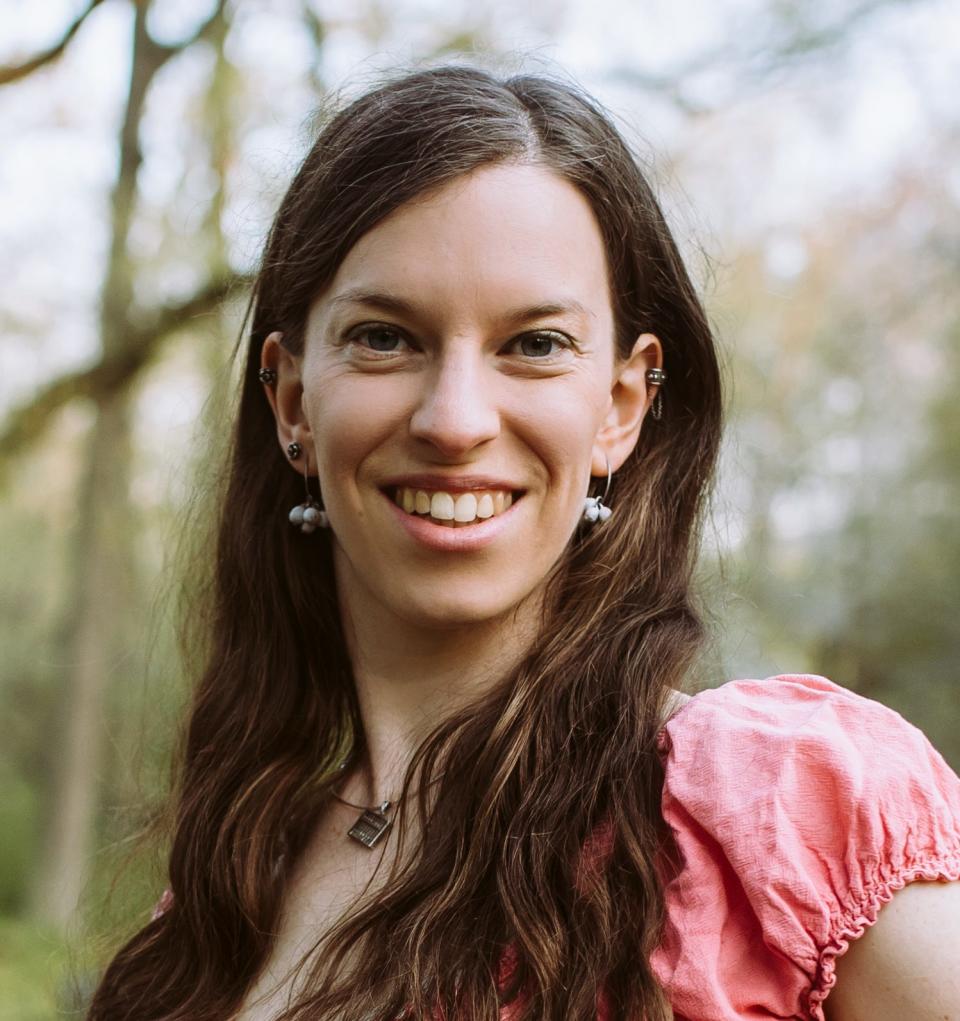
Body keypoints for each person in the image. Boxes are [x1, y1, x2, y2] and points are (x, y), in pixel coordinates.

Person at [87, 65, 960, 1021]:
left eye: (535, 344)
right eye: (385, 337)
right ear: (294, 401)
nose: (455, 420)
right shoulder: (220, 899)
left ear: (621, 407)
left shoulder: (788, 812)